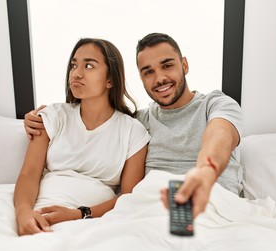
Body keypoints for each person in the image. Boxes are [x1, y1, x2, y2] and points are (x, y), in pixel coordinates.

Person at [24, 33, 243, 220]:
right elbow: (102, 123)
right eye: (148, 72)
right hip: (151, 208)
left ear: (184, 65)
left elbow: (219, 137)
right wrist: (39, 117)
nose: (159, 78)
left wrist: (205, 171)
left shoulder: (214, 104)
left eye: (167, 65)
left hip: (210, 198)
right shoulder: (140, 122)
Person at [14, 38, 150, 236]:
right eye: (73, 65)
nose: (76, 74)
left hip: (94, 220)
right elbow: (29, 174)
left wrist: (78, 214)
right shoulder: (53, 116)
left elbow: (128, 197)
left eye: (88, 65)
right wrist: (23, 212)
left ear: (110, 79)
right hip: (42, 209)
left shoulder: (133, 131)